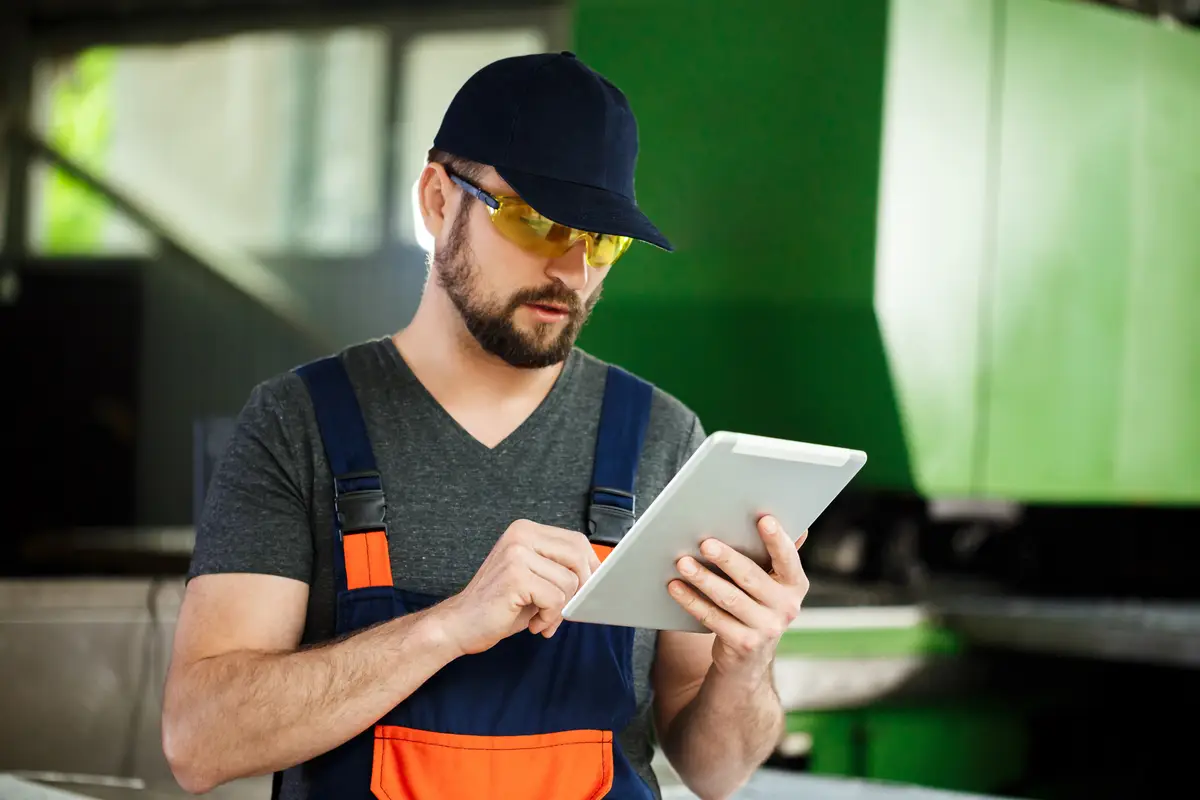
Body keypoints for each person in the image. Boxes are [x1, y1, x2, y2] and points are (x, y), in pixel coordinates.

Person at [162, 51, 809, 800]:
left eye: (603, 241)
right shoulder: (297, 424)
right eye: (538, 222)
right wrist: (448, 627)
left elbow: (715, 771)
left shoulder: (662, 438)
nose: (573, 271)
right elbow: (198, 741)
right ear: (438, 200)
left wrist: (746, 661)